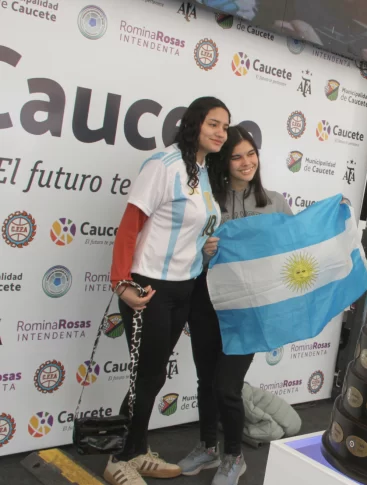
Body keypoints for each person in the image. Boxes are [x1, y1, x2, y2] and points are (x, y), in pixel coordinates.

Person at [105, 97, 230, 485]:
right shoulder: (164, 164)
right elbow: (130, 225)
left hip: (185, 286)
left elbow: (193, 224)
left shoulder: (205, 171)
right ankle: (120, 459)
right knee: (147, 374)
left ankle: (138, 450)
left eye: (225, 127)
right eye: (213, 124)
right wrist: (121, 283)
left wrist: (206, 243)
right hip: (149, 285)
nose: (221, 133)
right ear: (194, 124)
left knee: (154, 373)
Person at [177, 126, 292, 485]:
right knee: (205, 381)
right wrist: (203, 249)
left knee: (227, 386)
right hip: (207, 302)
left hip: (251, 310)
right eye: (237, 156)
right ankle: (208, 448)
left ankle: (234, 457)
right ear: (223, 162)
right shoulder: (206, 200)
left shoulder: (274, 202)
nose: (246, 163)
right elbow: (183, 248)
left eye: (251, 154)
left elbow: (292, 254)